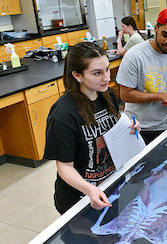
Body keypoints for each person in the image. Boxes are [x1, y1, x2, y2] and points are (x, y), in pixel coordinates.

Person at [44, 42, 140, 214]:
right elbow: (65, 166)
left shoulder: (107, 95)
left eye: (107, 69)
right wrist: (90, 190)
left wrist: (131, 125)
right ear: (77, 75)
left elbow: (115, 126)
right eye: (97, 73)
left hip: (109, 186)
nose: (106, 78)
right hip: (79, 198)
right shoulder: (63, 115)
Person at [116, 8, 167, 144]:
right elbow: (125, 95)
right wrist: (162, 96)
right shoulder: (134, 55)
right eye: (165, 35)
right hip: (137, 128)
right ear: (156, 29)